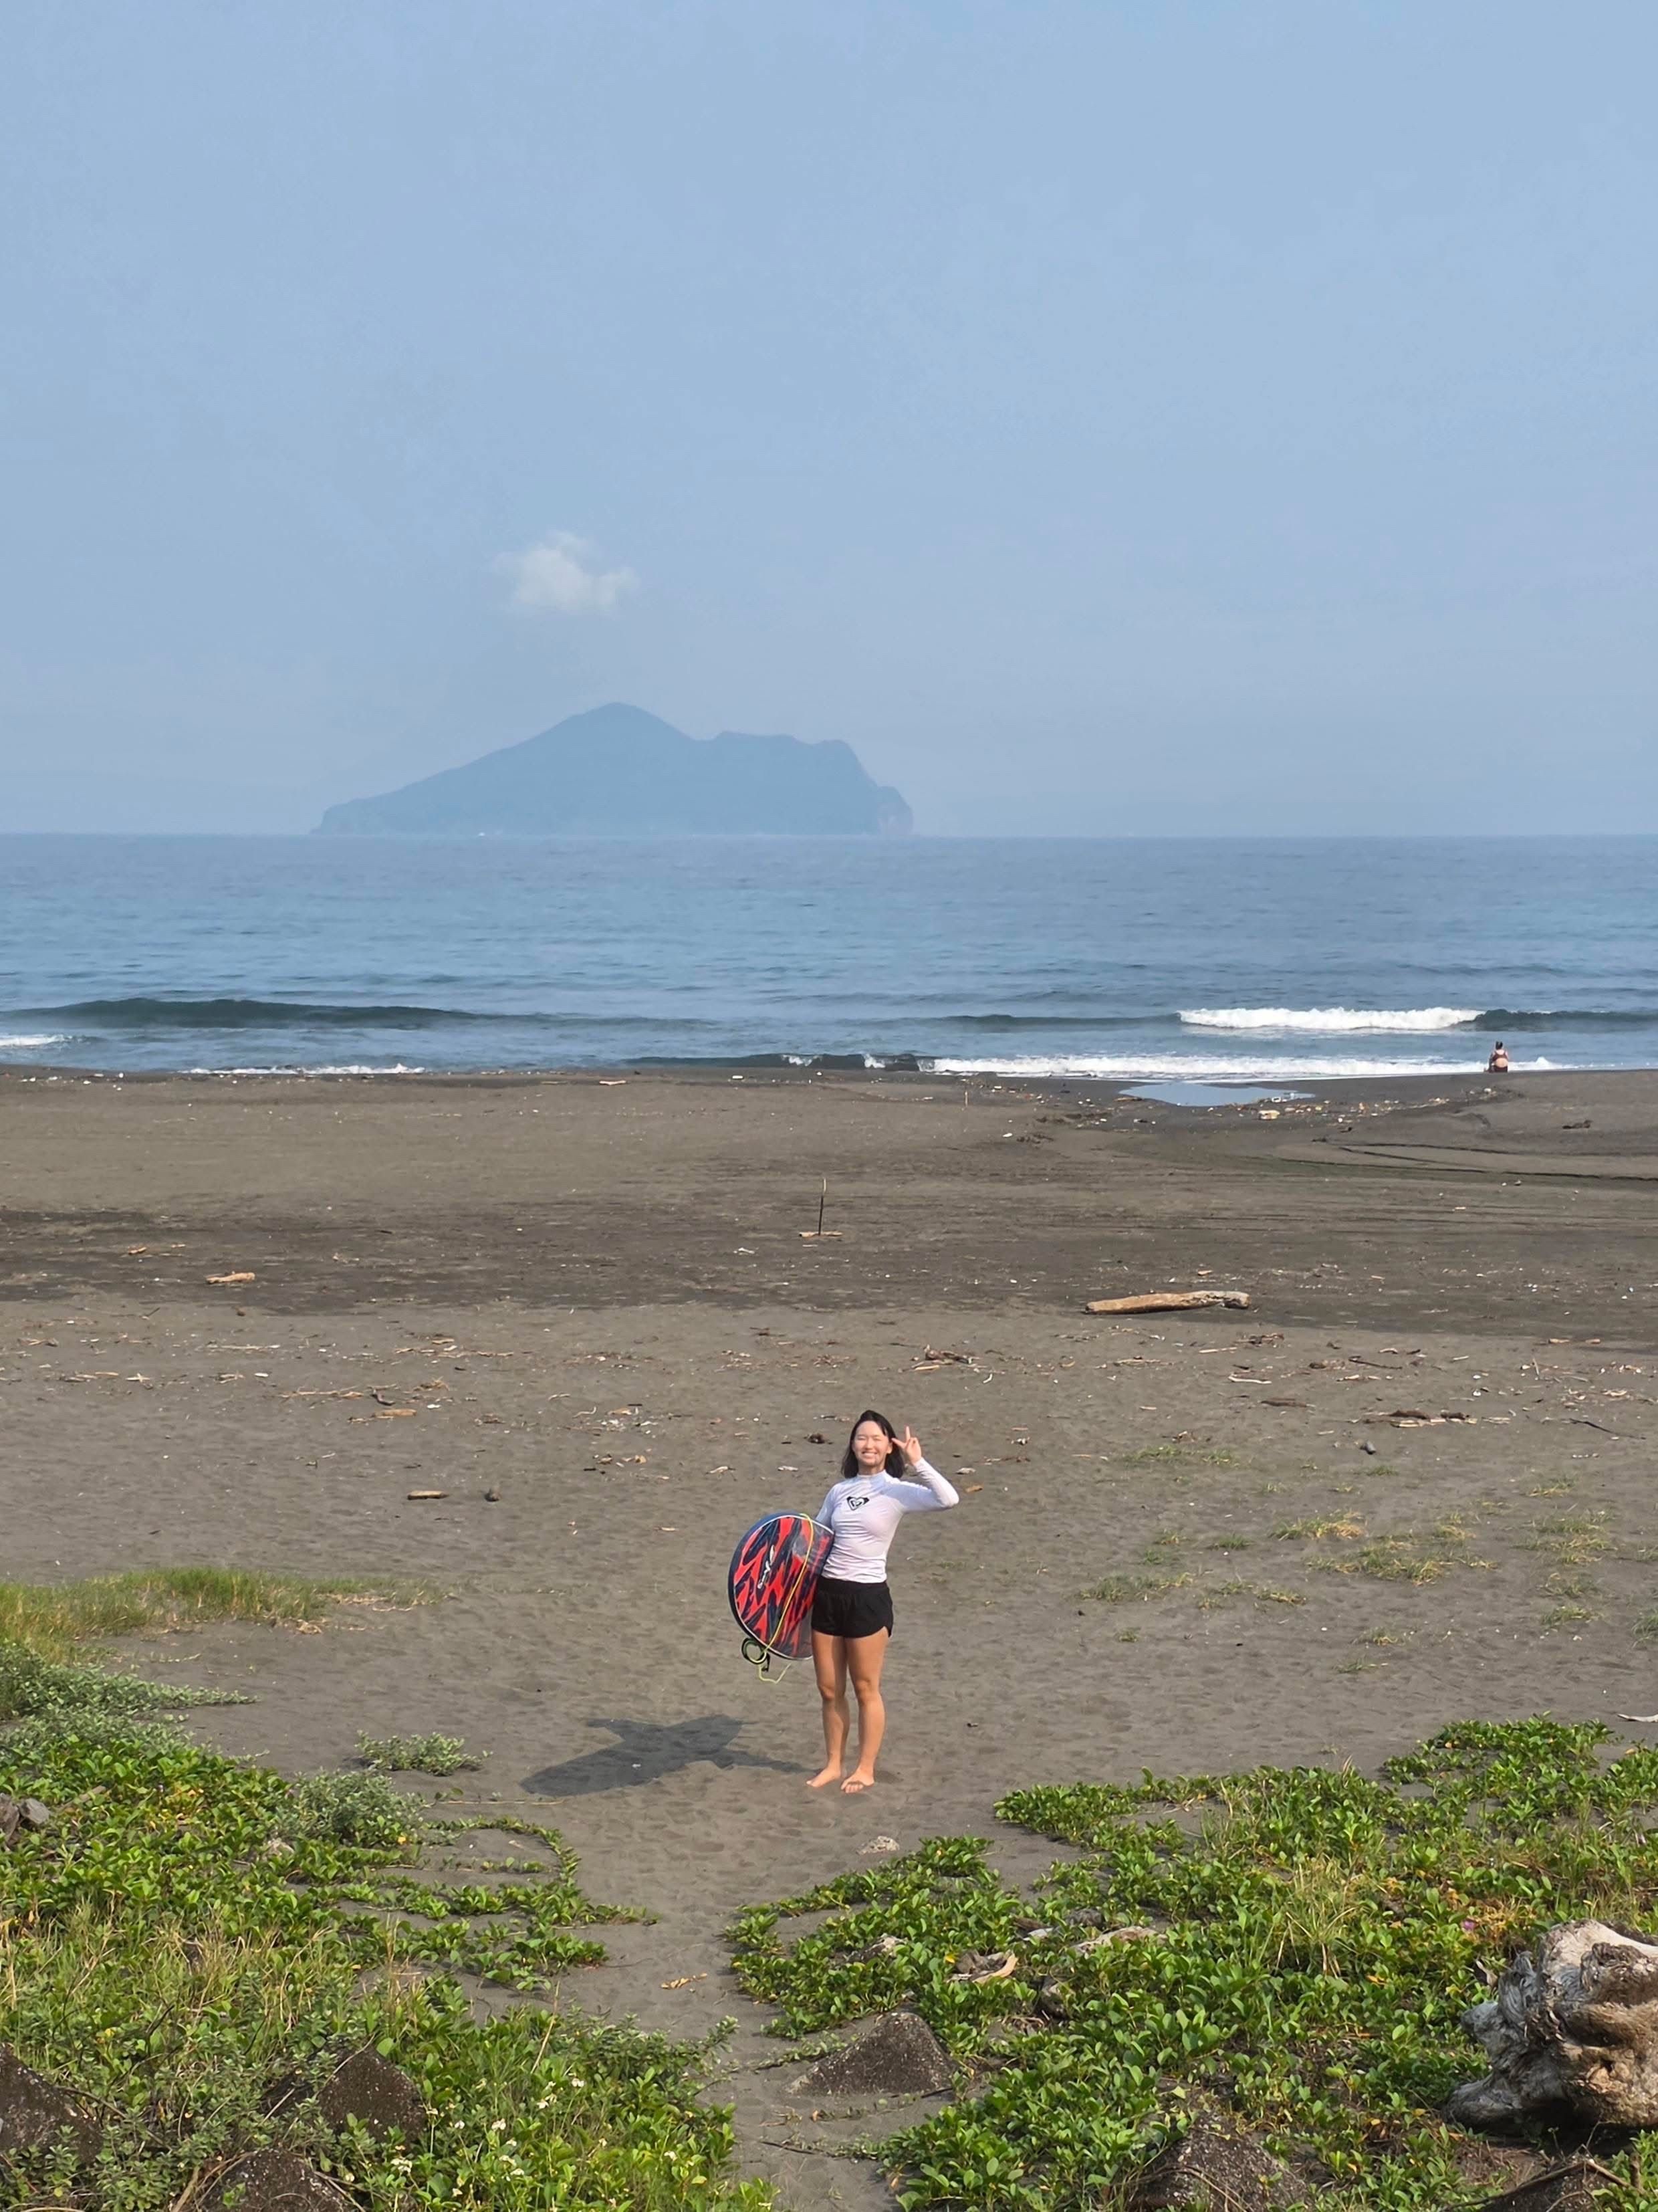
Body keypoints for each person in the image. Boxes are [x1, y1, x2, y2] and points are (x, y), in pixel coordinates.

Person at [808, 1410, 958, 1794]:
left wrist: (917, 1461)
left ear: (889, 1444)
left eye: (877, 1438)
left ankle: (865, 1768)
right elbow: (815, 1540)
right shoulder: (839, 1492)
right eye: (861, 1438)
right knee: (829, 1689)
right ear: (853, 1445)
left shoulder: (897, 1490)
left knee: (865, 1688)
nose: (868, 1444)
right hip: (827, 1594)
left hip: (867, 1598)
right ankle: (833, 1765)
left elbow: (948, 1499)